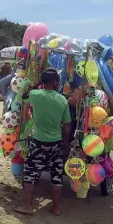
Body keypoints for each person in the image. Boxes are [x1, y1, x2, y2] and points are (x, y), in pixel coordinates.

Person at [14, 68, 71, 216]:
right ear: (54, 82)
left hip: (39, 142)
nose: (58, 83)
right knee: (57, 176)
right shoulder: (62, 100)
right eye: (57, 80)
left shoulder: (35, 95)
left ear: (44, 82)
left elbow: (24, 95)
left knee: (30, 173)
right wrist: (65, 144)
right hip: (57, 143)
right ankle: (56, 208)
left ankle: (28, 206)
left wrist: (38, 83)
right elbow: (67, 127)